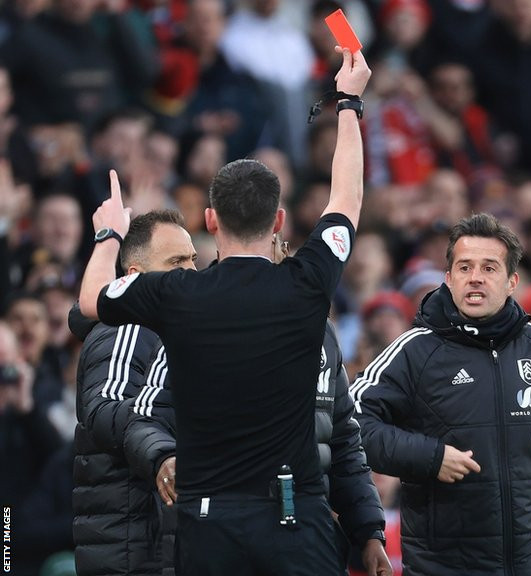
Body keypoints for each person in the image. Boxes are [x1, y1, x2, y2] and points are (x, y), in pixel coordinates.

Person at [77, 49, 377, 576]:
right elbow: (347, 197)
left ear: (210, 220)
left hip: (208, 524)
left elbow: (90, 300)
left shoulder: (175, 292)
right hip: (295, 520)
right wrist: (348, 101)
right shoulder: (308, 281)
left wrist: (109, 233)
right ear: (280, 219)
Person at [122, 233, 392, 576]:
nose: (276, 258)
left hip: (306, 528)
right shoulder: (194, 321)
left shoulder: (321, 333)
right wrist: (163, 454)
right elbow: (145, 419)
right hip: (220, 527)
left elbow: (342, 442)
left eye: (280, 249)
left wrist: (369, 532)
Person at [351, 213, 531, 576]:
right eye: (464, 267)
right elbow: (350, 423)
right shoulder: (415, 351)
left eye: (489, 267)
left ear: (512, 281)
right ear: (448, 279)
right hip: (446, 565)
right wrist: (429, 457)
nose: (475, 277)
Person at [69, 209, 197, 576]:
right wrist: (162, 449)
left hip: (158, 542)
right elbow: (104, 408)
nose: (190, 270)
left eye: (192, 259)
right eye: (175, 261)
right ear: (134, 277)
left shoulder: (170, 330)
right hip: (133, 547)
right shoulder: (129, 324)